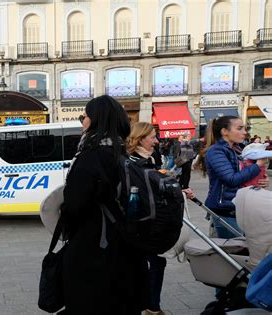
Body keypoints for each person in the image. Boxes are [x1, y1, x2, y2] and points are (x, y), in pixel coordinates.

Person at [59, 95, 149, 314]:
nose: (83, 121)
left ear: (96, 120)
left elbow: (74, 204)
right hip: (127, 247)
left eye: (85, 116)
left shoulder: (91, 155)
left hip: (97, 249)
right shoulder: (123, 154)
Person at [126, 122, 196, 315]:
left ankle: (151, 306)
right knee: (153, 263)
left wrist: (177, 191)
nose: (156, 141)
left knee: (156, 263)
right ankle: (151, 307)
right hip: (141, 224)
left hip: (149, 222)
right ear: (140, 139)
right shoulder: (131, 162)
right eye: (152, 137)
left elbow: (153, 188)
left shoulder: (147, 158)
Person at [197, 116, 269, 239]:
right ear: (225, 131)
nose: (244, 132)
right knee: (233, 253)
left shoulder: (236, 149)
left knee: (243, 252)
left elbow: (243, 175)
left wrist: (261, 179)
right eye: (240, 128)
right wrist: (257, 166)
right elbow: (231, 179)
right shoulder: (216, 151)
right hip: (225, 210)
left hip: (240, 208)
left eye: (244, 128)